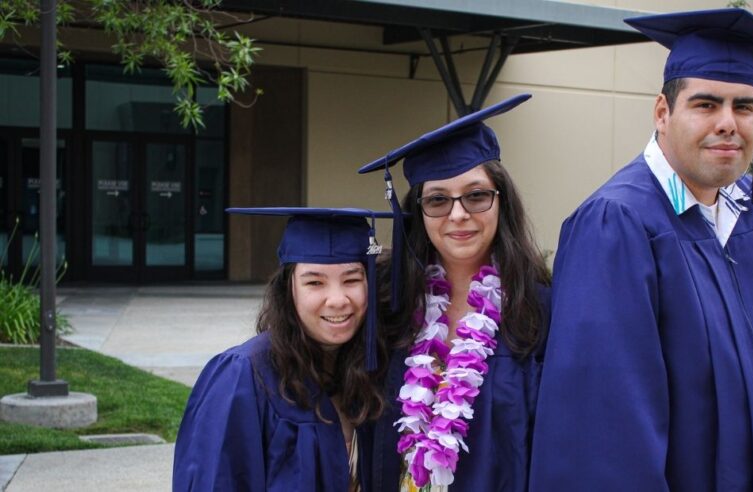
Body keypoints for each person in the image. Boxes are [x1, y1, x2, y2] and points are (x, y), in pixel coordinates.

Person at [530, 9, 753, 491]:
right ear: (663, 113)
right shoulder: (618, 227)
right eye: (706, 104)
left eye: (745, 106)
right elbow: (605, 438)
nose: (728, 124)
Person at [357, 94, 551, 491]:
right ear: (418, 211)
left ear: (502, 201)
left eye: (476, 195)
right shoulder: (389, 305)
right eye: (438, 200)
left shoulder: (541, 311)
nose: (458, 214)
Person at [172, 207, 396, 491]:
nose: (338, 300)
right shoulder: (243, 376)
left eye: (352, 279)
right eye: (315, 282)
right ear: (288, 289)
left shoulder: (374, 371)